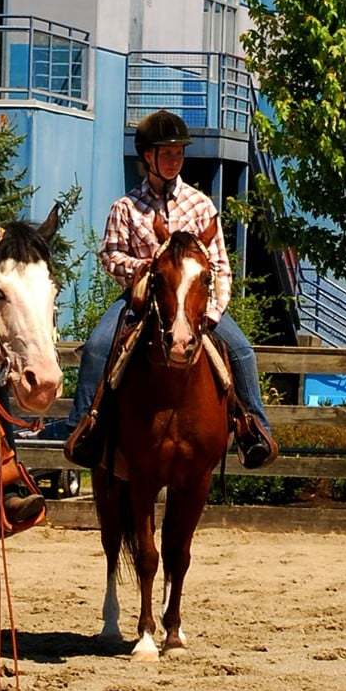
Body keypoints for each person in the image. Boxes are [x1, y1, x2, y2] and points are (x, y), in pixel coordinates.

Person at [63, 109, 276, 470]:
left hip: (194, 302)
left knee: (241, 351)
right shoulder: (126, 208)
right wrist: (143, 268)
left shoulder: (201, 205)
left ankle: (253, 428)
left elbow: (221, 266)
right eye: (168, 152)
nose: (176, 160)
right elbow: (110, 255)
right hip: (143, 297)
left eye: (179, 152)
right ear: (148, 156)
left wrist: (212, 311)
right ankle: (85, 427)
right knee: (98, 346)